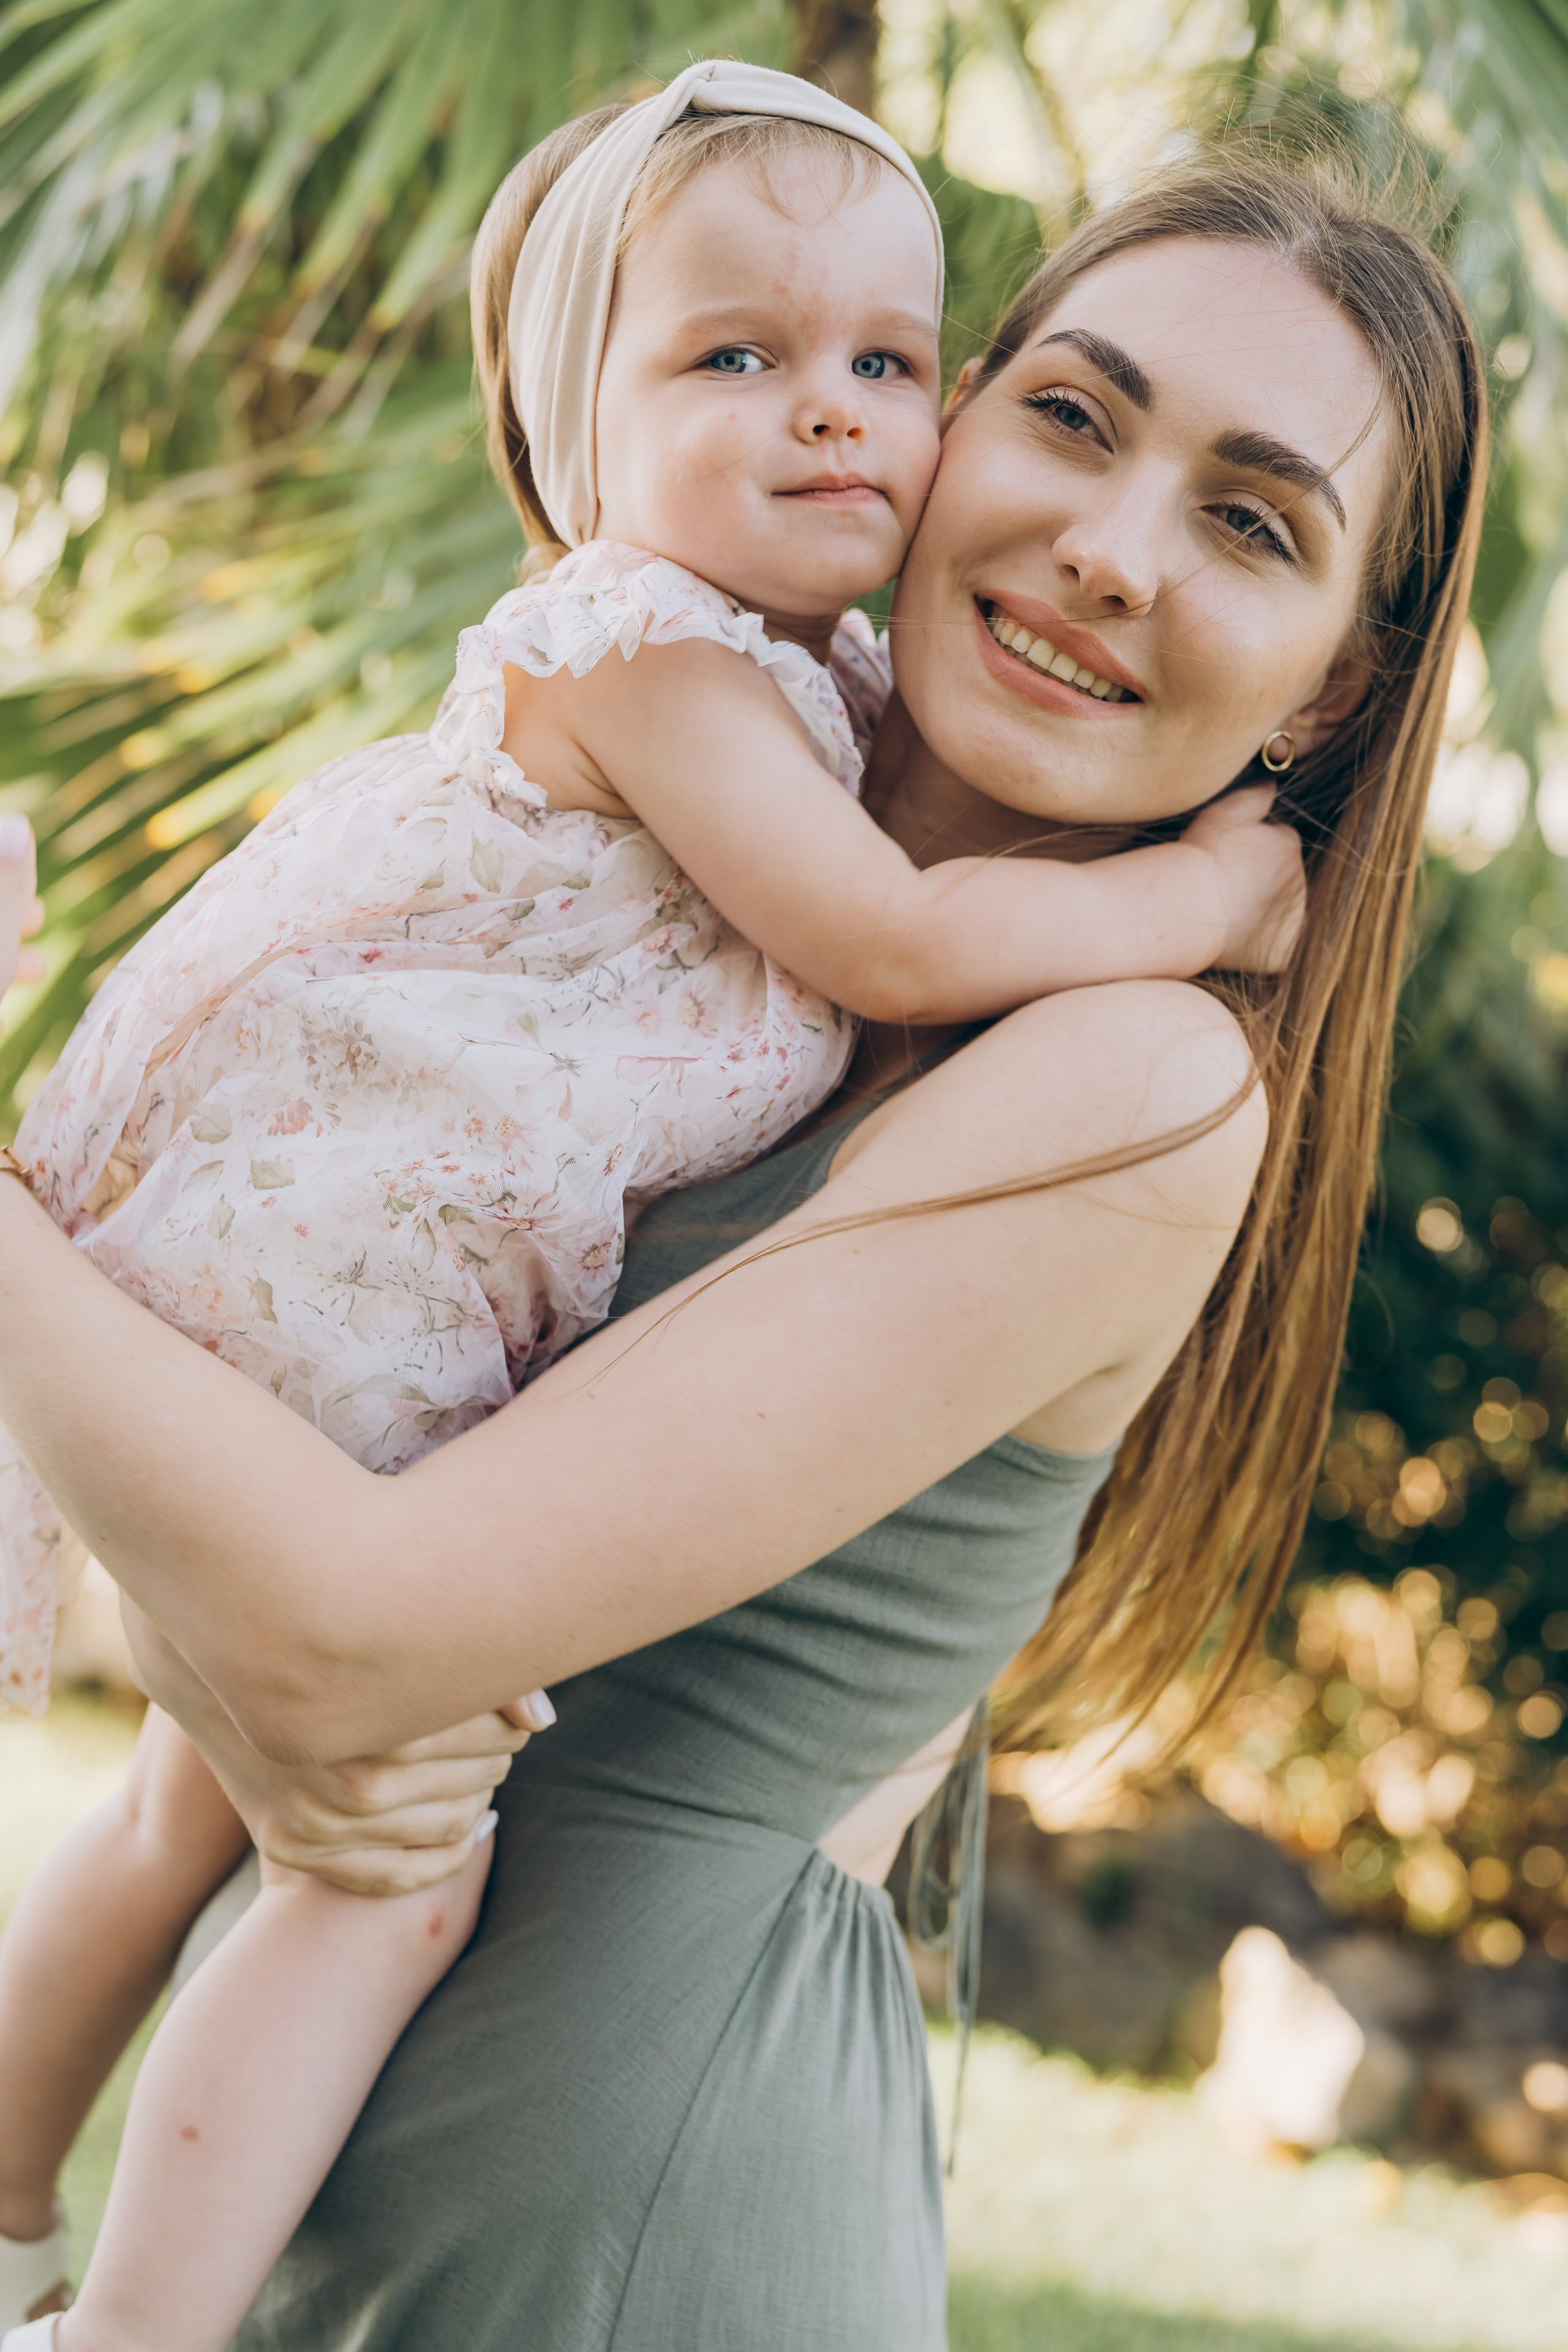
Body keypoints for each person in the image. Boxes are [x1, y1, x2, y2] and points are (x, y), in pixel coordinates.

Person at [0, 121, 1483, 2352]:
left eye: (1249, 521)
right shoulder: (682, 869)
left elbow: (340, 1639)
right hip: (331, 2178)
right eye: (1069, 415)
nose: (1104, 547)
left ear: (1331, 695)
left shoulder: (1140, 1084)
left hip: (628, 2216)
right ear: (949, 417)